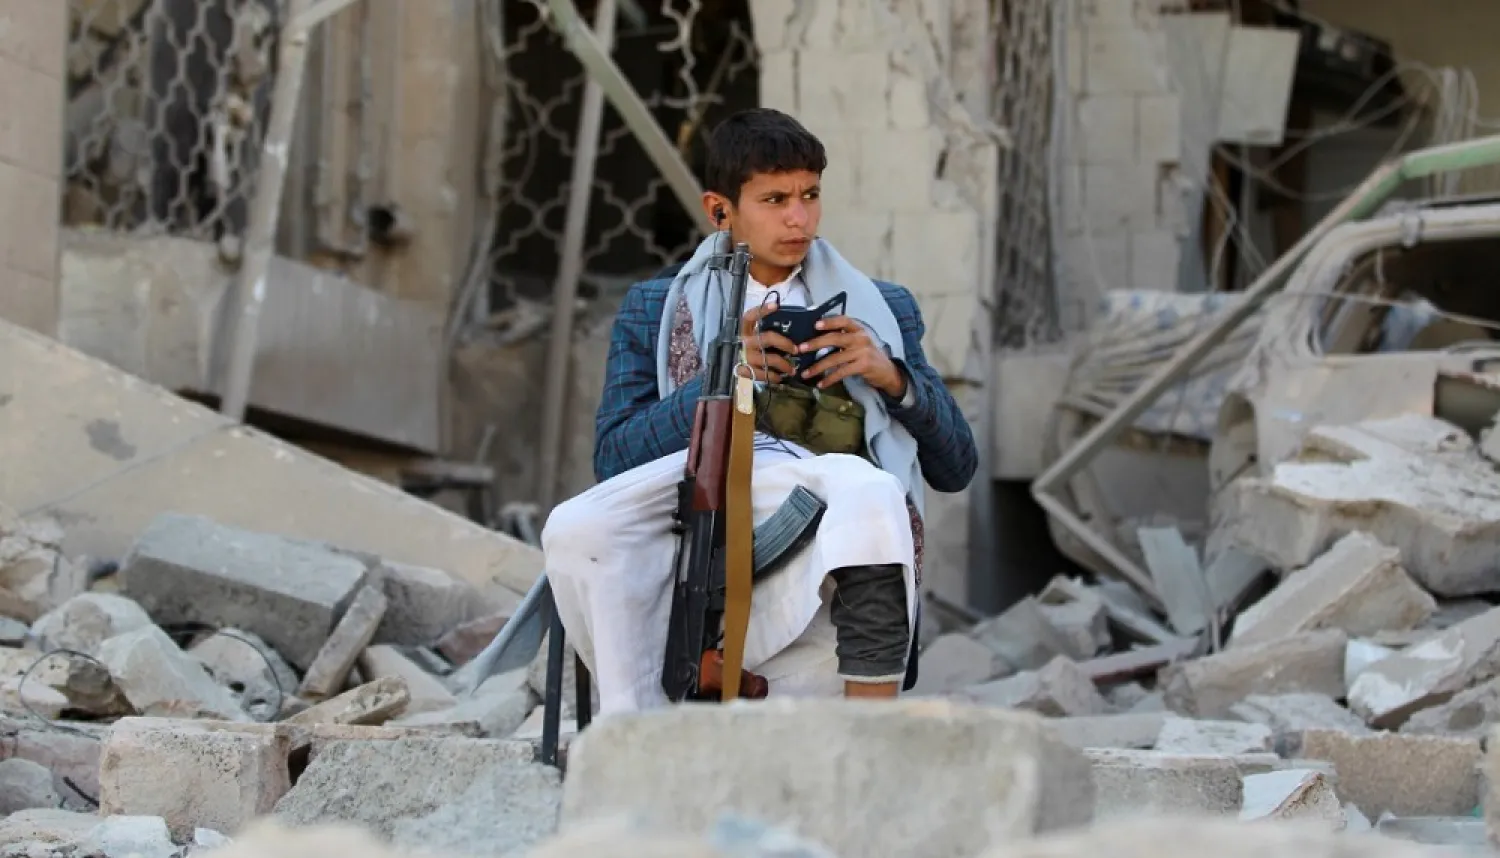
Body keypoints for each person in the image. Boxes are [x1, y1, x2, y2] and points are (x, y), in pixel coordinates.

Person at [541, 108, 977, 714]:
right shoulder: (657, 306)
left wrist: (892, 377)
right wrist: (725, 375)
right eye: (775, 199)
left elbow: (957, 466)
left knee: (872, 492)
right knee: (574, 528)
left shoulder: (884, 309)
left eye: (810, 195)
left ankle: (877, 738)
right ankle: (634, 721)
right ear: (720, 210)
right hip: (696, 498)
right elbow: (614, 460)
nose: (798, 218)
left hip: (821, 502)